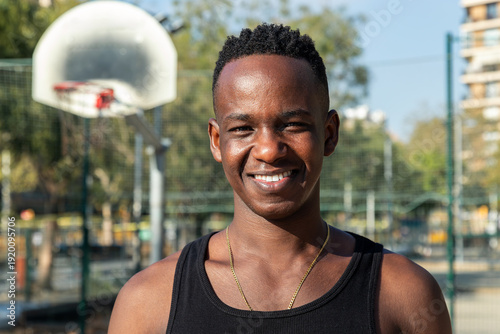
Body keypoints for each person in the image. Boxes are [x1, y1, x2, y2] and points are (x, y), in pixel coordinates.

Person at [109, 23, 452, 334]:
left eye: (292, 125)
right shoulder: (148, 302)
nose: (269, 150)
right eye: (242, 129)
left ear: (329, 134)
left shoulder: (403, 293)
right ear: (217, 141)